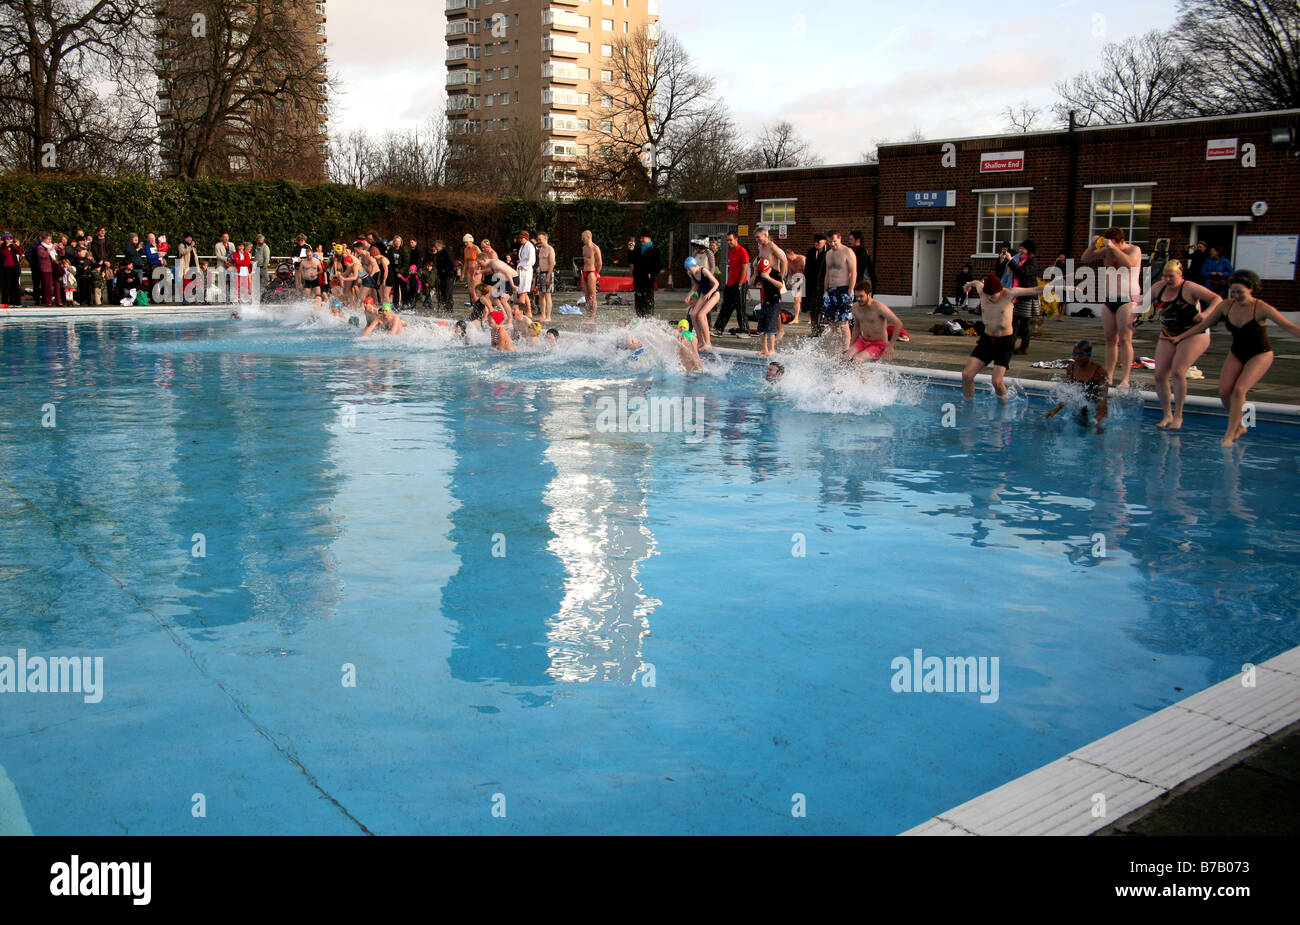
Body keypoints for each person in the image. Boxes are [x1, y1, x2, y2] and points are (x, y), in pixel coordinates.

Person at [1163, 270, 1300, 446]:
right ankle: (1240, 424)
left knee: (1239, 390)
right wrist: (1180, 337)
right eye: (1233, 292)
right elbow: (1204, 324)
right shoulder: (1226, 306)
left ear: (1251, 289)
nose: (1236, 295)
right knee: (1224, 393)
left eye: (1240, 292)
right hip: (1237, 352)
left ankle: (1230, 433)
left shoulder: (1261, 308)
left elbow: (1288, 327)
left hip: (1260, 353)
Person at [1140, 259, 1221, 430]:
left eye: (1172, 276)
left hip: (1194, 333)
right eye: (1165, 276)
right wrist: (1132, 318)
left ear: (1180, 275)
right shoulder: (1158, 288)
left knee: (1177, 371)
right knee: (1160, 375)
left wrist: (1206, 314)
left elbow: (1217, 299)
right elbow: (1142, 305)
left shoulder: (1190, 287)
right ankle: (1167, 413)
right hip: (1168, 334)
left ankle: (1178, 415)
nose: (1168, 280)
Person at [961, 274, 1055, 400]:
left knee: (996, 381)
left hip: (1004, 342)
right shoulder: (983, 292)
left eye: (992, 295)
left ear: (1000, 291)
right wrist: (968, 285)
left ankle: (1003, 408)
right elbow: (977, 283)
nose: (989, 298)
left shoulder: (1009, 294)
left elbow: (1035, 290)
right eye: (987, 294)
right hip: (986, 341)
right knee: (966, 375)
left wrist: (1061, 287)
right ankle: (967, 406)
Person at [1081, 226, 1142, 389]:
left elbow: (1129, 264)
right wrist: (1093, 246)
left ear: (1121, 241)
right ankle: (1109, 376)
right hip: (1109, 300)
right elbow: (1085, 259)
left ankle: (1125, 379)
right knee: (1110, 339)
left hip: (1127, 299)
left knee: (1125, 339)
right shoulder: (1107, 251)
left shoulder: (1133, 250)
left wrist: (1113, 248)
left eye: (1115, 243)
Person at [1044, 340, 1109, 432]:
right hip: (1082, 407)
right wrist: (1056, 409)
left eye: (1080, 355)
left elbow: (1103, 398)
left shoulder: (1099, 371)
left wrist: (1099, 419)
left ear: (1089, 355)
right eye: (1074, 354)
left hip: (1096, 408)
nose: (1076, 357)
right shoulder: (1071, 368)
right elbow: (1070, 392)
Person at [845, 280, 903, 364]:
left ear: (869, 294)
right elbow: (857, 328)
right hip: (863, 341)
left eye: (861, 296)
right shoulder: (855, 308)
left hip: (878, 344)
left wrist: (890, 345)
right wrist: (851, 345)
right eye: (857, 296)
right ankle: (848, 377)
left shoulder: (879, 308)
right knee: (846, 358)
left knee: (857, 360)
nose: (858, 299)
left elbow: (898, 323)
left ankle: (864, 378)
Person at [821, 231, 858, 350]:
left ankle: (846, 350)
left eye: (834, 241)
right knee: (833, 324)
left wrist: (850, 290)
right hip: (831, 290)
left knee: (843, 322)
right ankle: (837, 350)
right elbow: (827, 274)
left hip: (844, 289)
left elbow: (853, 272)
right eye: (830, 241)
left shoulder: (847, 252)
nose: (832, 244)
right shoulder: (828, 254)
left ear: (840, 239)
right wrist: (825, 291)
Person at [715, 231, 751, 336]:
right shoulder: (731, 252)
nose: (729, 242)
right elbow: (731, 269)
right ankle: (719, 328)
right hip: (730, 284)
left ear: (736, 239)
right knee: (726, 307)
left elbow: (744, 269)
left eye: (730, 240)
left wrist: (740, 284)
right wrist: (728, 283)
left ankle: (745, 330)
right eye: (727, 240)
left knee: (740, 308)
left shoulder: (742, 251)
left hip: (740, 284)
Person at [1008, 239, 1040, 355]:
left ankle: (1024, 346)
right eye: (1020, 248)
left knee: (1024, 324)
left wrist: (1010, 261)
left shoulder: (1031, 262)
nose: (1020, 250)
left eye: (1023, 248)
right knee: (1014, 322)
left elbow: (1022, 273)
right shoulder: (1019, 260)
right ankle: (1010, 346)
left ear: (1029, 250)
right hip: (1018, 295)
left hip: (1027, 297)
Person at [683, 256, 721, 351]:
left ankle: (708, 342)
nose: (689, 271)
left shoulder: (703, 270)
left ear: (694, 265)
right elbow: (696, 285)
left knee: (701, 315)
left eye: (689, 268)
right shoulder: (692, 273)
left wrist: (710, 293)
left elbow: (717, 283)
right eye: (687, 269)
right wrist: (689, 295)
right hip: (704, 295)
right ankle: (701, 341)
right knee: (692, 314)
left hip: (714, 294)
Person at [754, 254, 784, 358]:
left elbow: (780, 285)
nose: (763, 274)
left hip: (775, 302)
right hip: (765, 302)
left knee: (770, 327)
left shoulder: (775, 273)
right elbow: (751, 283)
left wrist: (768, 278)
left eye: (764, 271)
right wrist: (755, 273)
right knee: (761, 328)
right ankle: (764, 349)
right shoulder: (761, 273)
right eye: (761, 272)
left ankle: (772, 349)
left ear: (768, 268)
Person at [630, 229, 661, 318]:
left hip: (647, 280)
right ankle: (639, 317)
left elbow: (659, 265)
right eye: (641, 238)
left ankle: (648, 318)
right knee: (638, 299)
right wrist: (631, 250)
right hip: (638, 279)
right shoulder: (639, 249)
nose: (641, 240)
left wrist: (652, 273)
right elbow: (631, 260)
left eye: (643, 238)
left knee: (647, 299)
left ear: (649, 238)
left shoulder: (655, 250)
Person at [803, 233, 828, 336]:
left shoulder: (829, 252)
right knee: (813, 308)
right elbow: (807, 269)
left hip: (824, 284)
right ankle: (814, 330)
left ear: (824, 242)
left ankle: (822, 328)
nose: (816, 243)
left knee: (823, 307)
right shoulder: (811, 252)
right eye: (815, 241)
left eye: (819, 241)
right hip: (812, 284)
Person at [580, 229, 602, 323]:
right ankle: (589, 316)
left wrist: (597, 273)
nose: (582, 239)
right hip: (584, 271)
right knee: (586, 295)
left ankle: (592, 318)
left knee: (592, 295)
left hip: (592, 271)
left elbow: (599, 262)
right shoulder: (584, 248)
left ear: (588, 237)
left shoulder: (595, 248)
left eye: (583, 237)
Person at [535, 231, 556, 323]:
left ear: (545, 239)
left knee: (547, 295)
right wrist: (539, 274)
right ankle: (542, 315)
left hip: (548, 273)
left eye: (540, 239)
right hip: (541, 273)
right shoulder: (541, 249)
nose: (539, 241)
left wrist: (548, 276)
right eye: (538, 239)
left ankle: (548, 316)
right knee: (541, 295)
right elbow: (540, 262)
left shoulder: (550, 249)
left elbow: (551, 263)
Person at [515, 230, 536, 318]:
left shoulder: (530, 246)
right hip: (521, 270)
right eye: (519, 238)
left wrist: (523, 266)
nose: (520, 240)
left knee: (523, 292)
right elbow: (523, 257)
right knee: (524, 292)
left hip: (526, 271)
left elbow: (532, 260)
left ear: (525, 238)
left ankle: (520, 311)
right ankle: (529, 312)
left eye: (521, 238)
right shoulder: (522, 246)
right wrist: (520, 262)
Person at [0, 232, 21, 305]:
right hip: (5, 269)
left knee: (15, 285)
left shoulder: (13, 247)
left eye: (10, 239)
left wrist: (17, 246)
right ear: (4, 240)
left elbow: (20, 252)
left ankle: (15, 301)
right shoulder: (2, 247)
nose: (9, 240)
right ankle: (5, 301)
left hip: (14, 268)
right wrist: (6, 246)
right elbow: (3, 253)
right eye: (7, 239)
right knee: (6, 286)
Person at [786, 250, 806, 324]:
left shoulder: (802, 259)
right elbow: (790, 273)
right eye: (787, 259)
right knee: (796, 299)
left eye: (789, 258)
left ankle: (811, 318)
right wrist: (789, 281)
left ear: (792, 254)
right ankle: (796, 318)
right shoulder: (789, 262)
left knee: (809, 300)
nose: (789, 260)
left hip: (806, 279)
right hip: (797, 280)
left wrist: (799, 282)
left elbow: (807, 272)